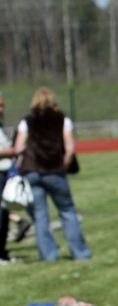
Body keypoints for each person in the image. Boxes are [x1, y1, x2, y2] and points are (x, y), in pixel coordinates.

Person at [13, 87, 91, 261]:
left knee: (40, 215)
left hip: (32, 171)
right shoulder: (63, 119)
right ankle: (80, 253)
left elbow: (18, 148)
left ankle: (48, 256)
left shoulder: (27, 121)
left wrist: (20, 166)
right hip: (54, 171)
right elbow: (70, 148)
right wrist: (63, 165)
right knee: (67, 211)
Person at [0, 91, 20, 264]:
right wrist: (13, 150)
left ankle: (3, 252)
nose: (2, 110)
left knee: (4, 214)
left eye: (3, 106)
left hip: (5, 173)